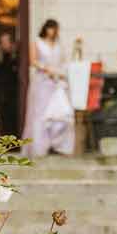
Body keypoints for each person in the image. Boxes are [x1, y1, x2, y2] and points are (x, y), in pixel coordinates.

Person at [24, 18, 74, 158]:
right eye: (50, 28)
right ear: (45, 29)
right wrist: (46, 69)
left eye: (55, 29)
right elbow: (33, 61)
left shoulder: (58, 45)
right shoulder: (37, 42)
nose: (52, 32)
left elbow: (63, 61)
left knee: (58, 112)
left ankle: (57, 144)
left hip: (55, 82)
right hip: (42, 81)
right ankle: (39, 146)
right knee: (41, 112)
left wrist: (60, 72)